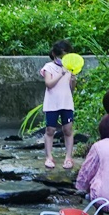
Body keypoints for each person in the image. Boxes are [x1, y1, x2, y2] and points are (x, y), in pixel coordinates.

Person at [40, 39, 77, 170]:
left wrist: (73, 80)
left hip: (66, 103)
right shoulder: (48, 67)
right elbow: (49, 84)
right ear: (55, 55)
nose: (64, 59)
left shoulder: (70, 69)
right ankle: (49, 157)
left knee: (68, 130)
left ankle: (68, 157)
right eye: (62, 56)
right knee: (50, 130)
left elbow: (71, 89)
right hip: (52, 104)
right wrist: (61, 73)